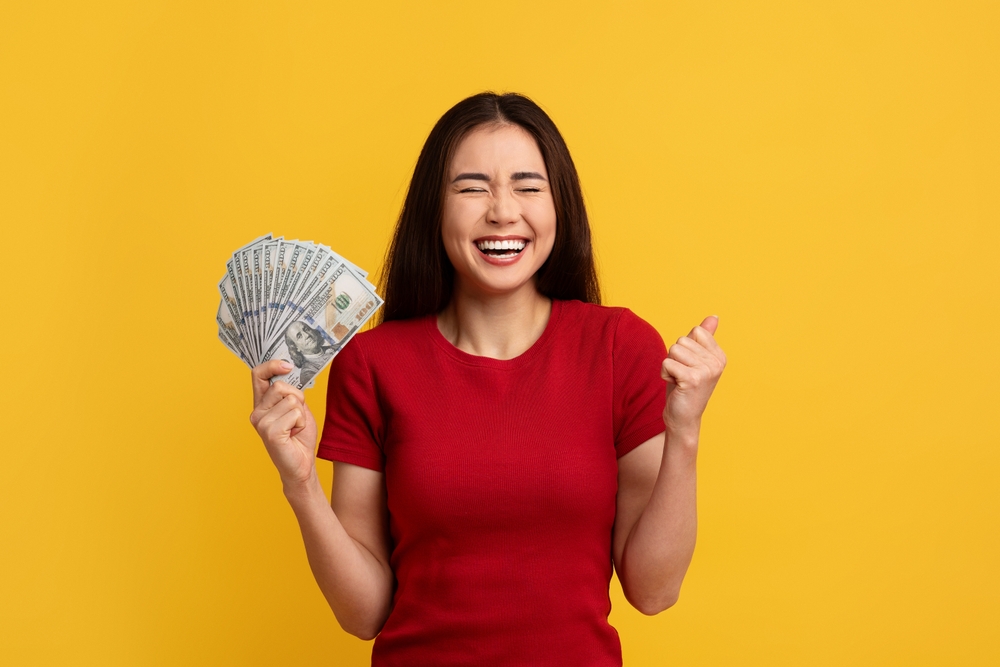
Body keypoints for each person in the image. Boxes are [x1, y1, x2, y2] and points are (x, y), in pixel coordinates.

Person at [249, 92, 726, 666]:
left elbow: (654, 591)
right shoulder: (372, 363)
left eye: (528, 186)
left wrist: (685, 433)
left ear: (560, 207)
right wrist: (300, 486)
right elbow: (364, 614)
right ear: (435, 209)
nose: (502, 211)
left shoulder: (620, 348)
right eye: (472, 187)